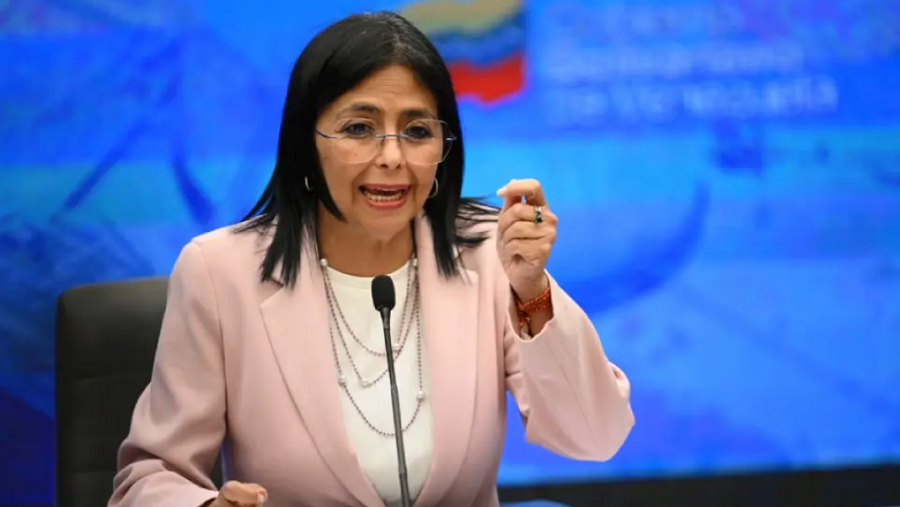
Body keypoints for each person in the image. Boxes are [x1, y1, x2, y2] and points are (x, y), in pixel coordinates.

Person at [108, 10, 633, 507]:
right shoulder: (220, 273)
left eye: (417, 131)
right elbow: (150, 476)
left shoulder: (484, 253)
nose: (392, 157)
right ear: (306, 143)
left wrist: (531, 290)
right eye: (359, 128)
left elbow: (594, 436)